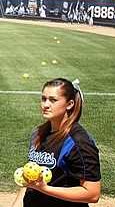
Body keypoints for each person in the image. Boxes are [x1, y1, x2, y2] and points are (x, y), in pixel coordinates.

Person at [12, 78, 101, 207]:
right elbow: (31, 182)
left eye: (53, 100)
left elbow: (92, 193)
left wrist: (45, 189)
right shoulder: (38, 133)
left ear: (69, 104)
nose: (45, 105)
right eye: (43, 99)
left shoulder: (79, 142)